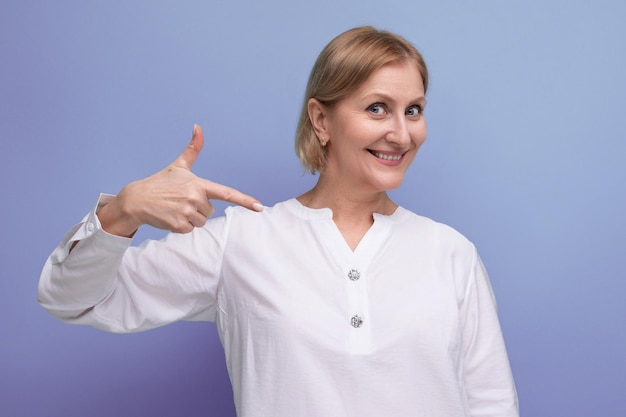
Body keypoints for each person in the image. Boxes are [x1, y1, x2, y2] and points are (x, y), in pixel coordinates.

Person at [39, 26, 519, 416]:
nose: (401, 132)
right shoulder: (242, 241)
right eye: (377, 108)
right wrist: (122, 211)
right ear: (322, 120)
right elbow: (71, 299)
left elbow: (492, 402)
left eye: (413, 110)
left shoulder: (450, 252)